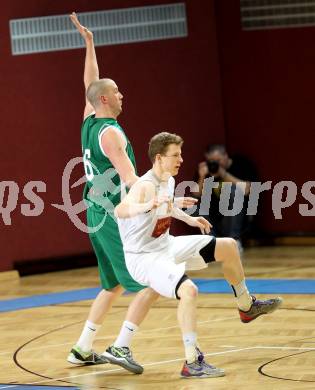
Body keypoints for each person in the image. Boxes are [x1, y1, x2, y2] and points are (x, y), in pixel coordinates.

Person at [115, 132, 282, 379]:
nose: (181, 159)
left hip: (165, 246)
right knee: (189, 290)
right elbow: (121, 210)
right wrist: (146, 206)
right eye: (176, 155)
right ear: (159, 158)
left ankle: (246, 305)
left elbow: (165, 207)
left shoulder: (168, 180)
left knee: (227, 246)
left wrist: (190, 219)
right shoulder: (145, 185)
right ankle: (192, 362)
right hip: (144, 257)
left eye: (181, 154)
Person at [67, 13, 161, 374]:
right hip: (111, 212)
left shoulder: (89, 118)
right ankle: (121, 346)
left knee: (112, 285)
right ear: (106, 100)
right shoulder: (112, 133)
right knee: (148, 281)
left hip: (94, 209)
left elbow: (90, 83)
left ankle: (82, 348)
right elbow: (130, 179)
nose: (123, 95)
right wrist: (159, 199)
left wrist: (89, 44)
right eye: (117, 92)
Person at [193, 144, 257, 250]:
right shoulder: (208, 169)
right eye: (212, 161)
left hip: (238, 217)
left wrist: (223, 174)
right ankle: (212, 242)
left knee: (232, 191)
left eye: (218, 160)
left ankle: (233, 240)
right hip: (215, 218)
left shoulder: (240, 164)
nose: (216, 163)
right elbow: (196, 195)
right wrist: (202, 176)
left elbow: (247, 190)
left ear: (226, 156)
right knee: (191, 205)